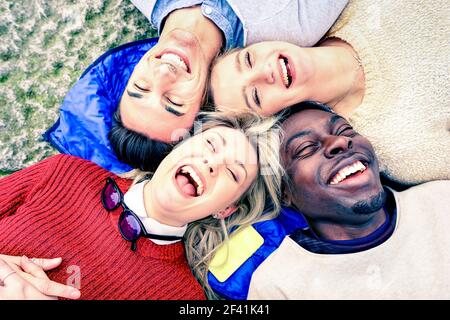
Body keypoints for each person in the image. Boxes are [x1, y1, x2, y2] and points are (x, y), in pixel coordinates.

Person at [0, 112, 282, 300]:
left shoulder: (181, 296)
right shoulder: (64, 172)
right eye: (210, 144)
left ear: (225, 209)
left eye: (233, 173)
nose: (212, 163)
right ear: (178, 146)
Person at [44, 0, 347, 174]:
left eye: (140, 87)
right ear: (204, 100)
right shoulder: (291, 29)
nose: (164, 74)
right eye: (174, 100)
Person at [209, 0, 450, 185]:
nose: (265, 72)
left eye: (248, 59)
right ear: (271, 120)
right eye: (256, 96)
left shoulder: (333, 9)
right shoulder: (396, 145)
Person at [247, 103, 450, 299]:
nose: (340, 142)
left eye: (345, 130)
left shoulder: (441, 200)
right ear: (284, 193)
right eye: (306, 148)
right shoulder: (275, 285)